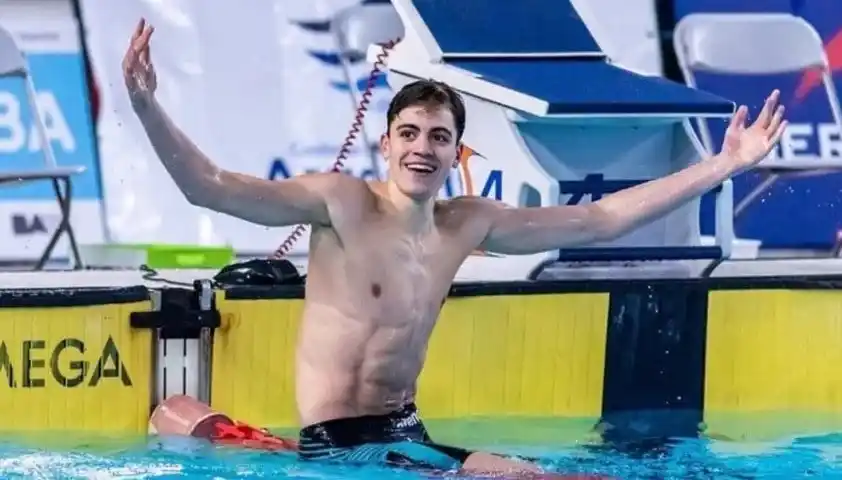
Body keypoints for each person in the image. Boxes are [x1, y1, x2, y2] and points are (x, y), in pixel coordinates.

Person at [123, 18, 786, 477]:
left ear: (455, 153)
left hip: (408, 438)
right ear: (386, 144)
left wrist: (722, 166)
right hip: (338, 445)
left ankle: (232, 435)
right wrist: (148, 105)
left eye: (438, 137)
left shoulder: (465, 224)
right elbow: (207, 187)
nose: (421, 147)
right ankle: (233, 436)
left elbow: (603, 220)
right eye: (408, 133)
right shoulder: (340, 203)